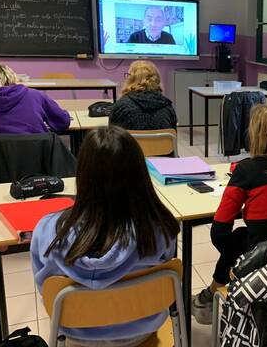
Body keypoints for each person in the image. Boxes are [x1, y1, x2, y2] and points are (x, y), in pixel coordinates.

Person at [31, 126, 180, 346]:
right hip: (141, 332)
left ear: (82, 174)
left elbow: (45, 288)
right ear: (140, 174)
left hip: (76, 333)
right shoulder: (160, 229)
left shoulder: (49, 231)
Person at [191, 104, 267, 324]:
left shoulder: (247, 170)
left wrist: (234, 258)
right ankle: (208, 297)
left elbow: (219, 231)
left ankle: (209, 298)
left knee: (239, 238)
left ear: (257, 135)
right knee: (243, 237)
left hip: (259, 265)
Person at [0, 64, 71, 138]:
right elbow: (63, 122)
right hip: (38, 160)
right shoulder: (36, 95)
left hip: (2, 163)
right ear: (13, 77)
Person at [109, 60, 177, 130]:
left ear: (131, 79)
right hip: (162, 141)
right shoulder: (168, 107)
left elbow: (112, 136)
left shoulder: (121, 106)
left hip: (130, 141)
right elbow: (173, 136)